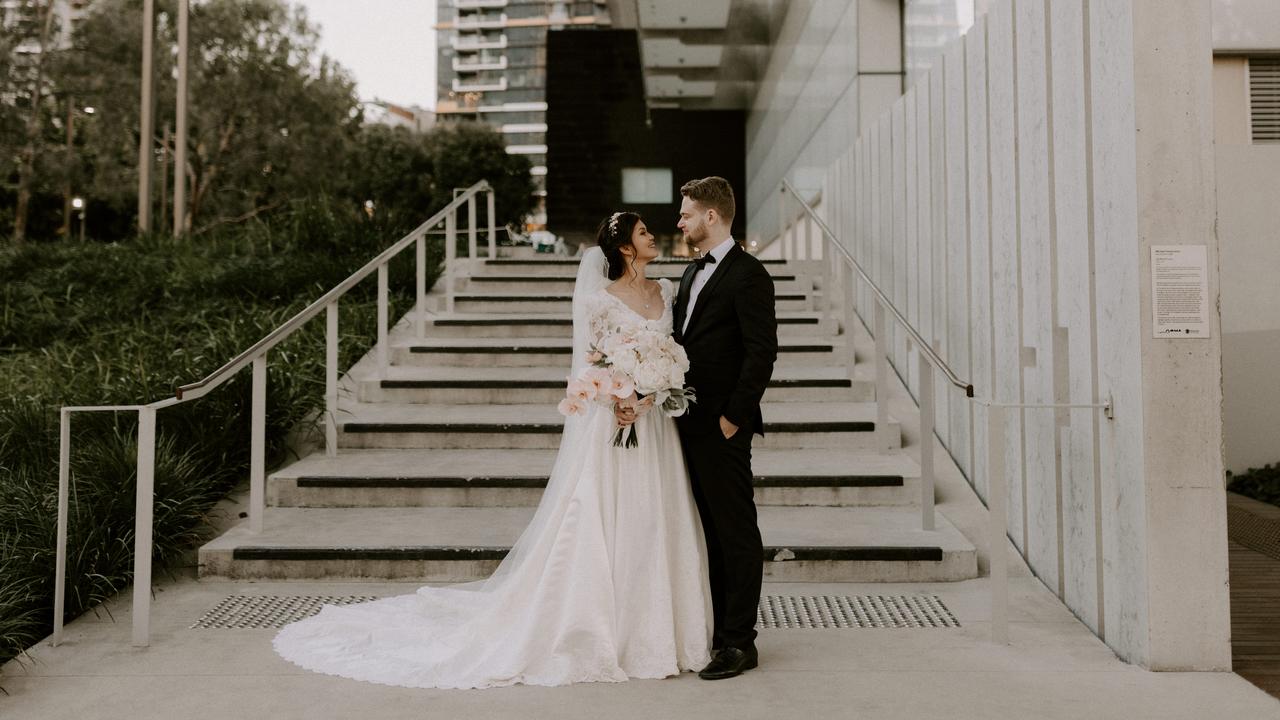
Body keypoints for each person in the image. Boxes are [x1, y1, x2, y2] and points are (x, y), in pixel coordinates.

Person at [271, 213, 712, 689]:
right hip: (617, 425)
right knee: (607, 520)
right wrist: (620, 398)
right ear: (626, 248)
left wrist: (654, 390)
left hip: (658, 430)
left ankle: (660, 629)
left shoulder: (667, 290)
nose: (653, 237)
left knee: (654, 518)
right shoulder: (598, 302)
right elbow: (592, 364)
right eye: (644, 233)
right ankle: (606, 631)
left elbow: (674, 354)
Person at [672, 176, 777, 680]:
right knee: (707, 531)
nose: (681, 221)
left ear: (711, 216)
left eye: (687, 213)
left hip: (722, 427)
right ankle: (717, 632)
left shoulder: (749, 274)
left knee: (734, 532)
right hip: (684, 425)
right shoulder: (691, 274)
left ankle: (740, 642)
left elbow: (761, 353)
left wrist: (733, 418)